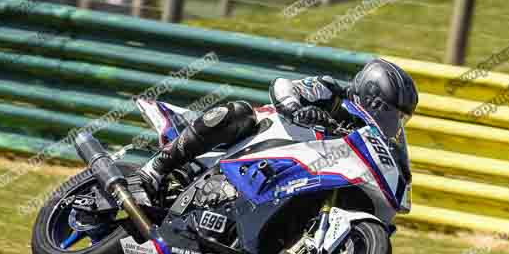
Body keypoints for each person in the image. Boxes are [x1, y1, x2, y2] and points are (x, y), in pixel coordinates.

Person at [131, 58, 418, 201]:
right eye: (391, 112)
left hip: (297, 171)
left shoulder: (365, 135)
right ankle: (155, 169)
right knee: (239, 112)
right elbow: (283, 85)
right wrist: (296, 107)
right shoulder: (331, 91)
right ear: (371, 95)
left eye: (399, 118)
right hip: (259, 137)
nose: (393, 122)